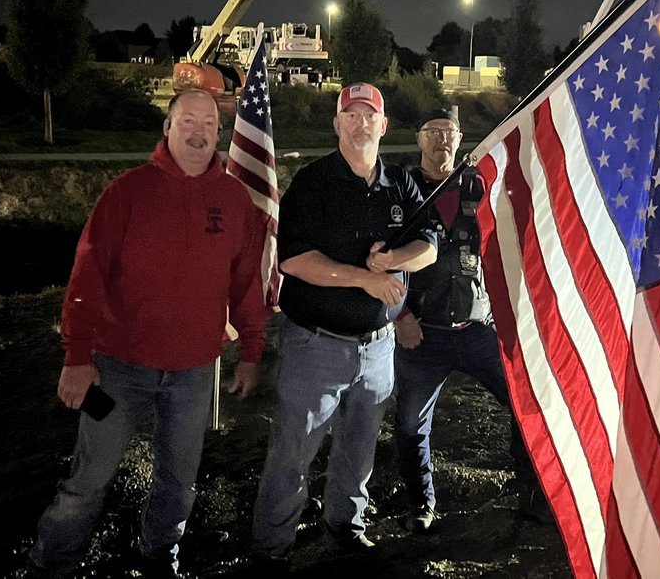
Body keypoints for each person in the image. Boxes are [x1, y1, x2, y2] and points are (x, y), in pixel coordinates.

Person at [27, 66, 270, 577]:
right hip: (118, 368)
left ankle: (161, 555)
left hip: (194, 372)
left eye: (209, 123)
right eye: (187, 121)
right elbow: (87, 275)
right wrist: (76, 358)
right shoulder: (128, 192)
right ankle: (53, 563)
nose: (198, 132)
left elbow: (246, 282)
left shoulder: (234, 201)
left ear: (219, 132)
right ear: (167, 127)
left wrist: (251, 349)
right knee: (89, 479)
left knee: (178, 480)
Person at [250, 82, 438, 575]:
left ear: (384, 124)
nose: (360, 123)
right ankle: (272, 548)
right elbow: (293, 261)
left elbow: (429, 246)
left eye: (368, 115)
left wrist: (394, 260)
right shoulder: (313, 183)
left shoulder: (401, 184)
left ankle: (346, 527)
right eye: (350, 115)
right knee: (293, 452)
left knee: (358, 450)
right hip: (316, 346)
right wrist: (365, 278)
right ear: (336, 124)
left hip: (377, 351)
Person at [393, 108, 543, 533]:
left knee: (524, 404)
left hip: (478, 327)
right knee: (409, 425)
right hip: (422, 333)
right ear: (418, 138)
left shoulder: (480, 184)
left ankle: (530, 492)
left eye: (449, 132)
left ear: (460, 139)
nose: (441, 139)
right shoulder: (400, 191)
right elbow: (383, 253)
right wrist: (401, 315)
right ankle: (421, 505)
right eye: (432, 131)